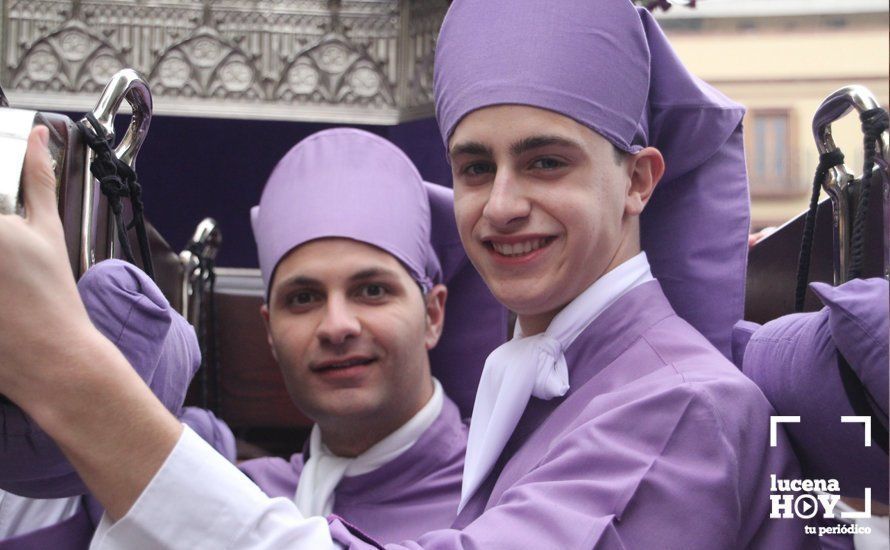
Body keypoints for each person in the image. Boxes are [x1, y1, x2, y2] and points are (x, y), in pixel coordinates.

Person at [0, 1, 814, 548]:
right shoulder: (555, 391)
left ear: (639, 180)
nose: (501, 206)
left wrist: (72, 377)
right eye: (472, 167)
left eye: (544, 162)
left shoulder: (677, 407)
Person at [237, 127, 499, 542]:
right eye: (303, 298)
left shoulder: (505, 498)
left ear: (432, 314)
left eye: (372, 290)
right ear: (270, 331)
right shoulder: (238, 500)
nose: (337, 326)